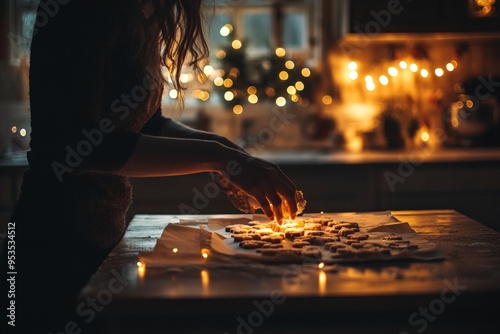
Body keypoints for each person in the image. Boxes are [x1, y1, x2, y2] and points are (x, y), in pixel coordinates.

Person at [1, 0, 299, 332]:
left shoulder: (142, 13)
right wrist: (221, 157)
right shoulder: (78, 10)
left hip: (100, 239)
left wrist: (228, 152)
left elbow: (145, 122)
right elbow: (78, 145)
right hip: (47, 247)